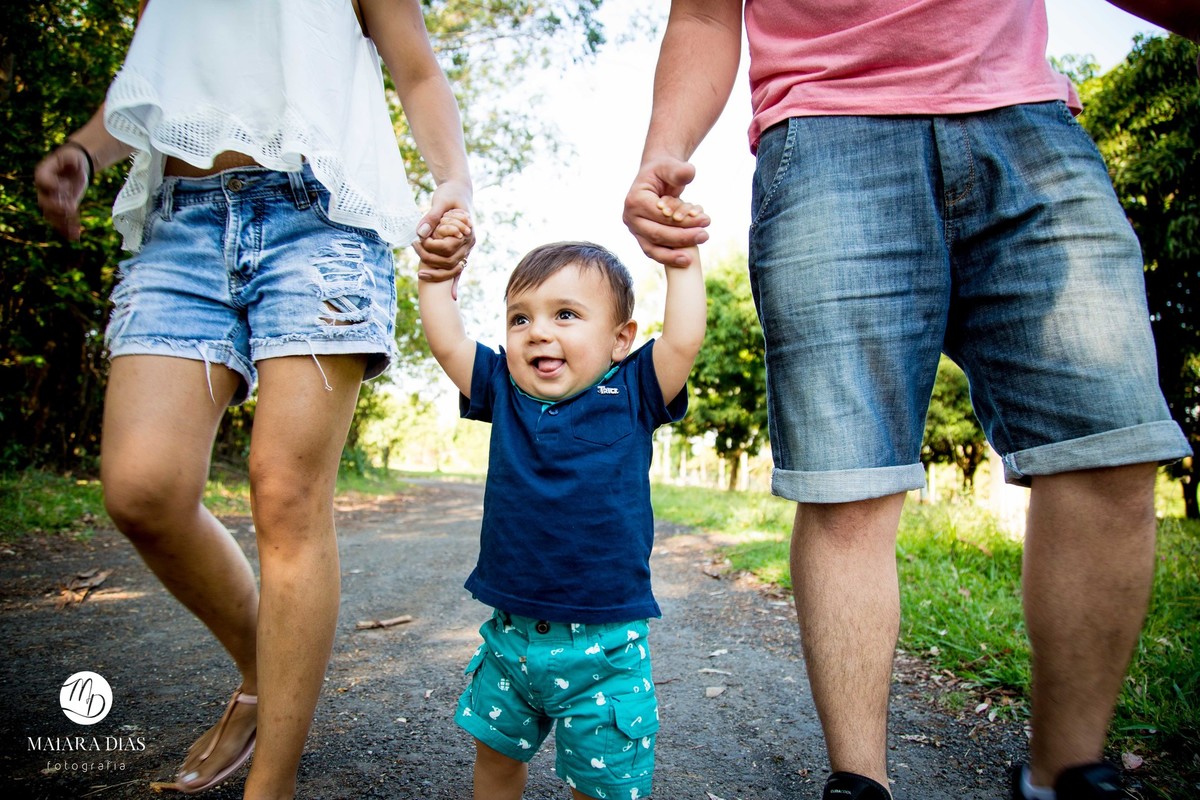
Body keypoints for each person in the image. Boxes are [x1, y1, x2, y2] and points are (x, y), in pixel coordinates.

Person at [621, 1, 1197, 799]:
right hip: (827, 131)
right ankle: (860, 784)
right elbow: (707, 14)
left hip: (1027, 123)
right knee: (846, 483)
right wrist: (664, 148)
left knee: (1110, 445)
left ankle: (1064, 780)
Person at [33, 1, 473, 796]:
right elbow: (160, 69)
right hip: (181, 222)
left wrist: (454, 186)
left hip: (321, 217)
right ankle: (261, 670)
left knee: (287, 495)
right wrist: (84, 154)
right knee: (143, 490)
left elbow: (415, 66)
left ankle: (270, 784)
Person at [416, 229, 706, 800]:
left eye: (566, 314)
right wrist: (433, 278)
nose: (538, 331)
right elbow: (448, 343)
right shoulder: (502, 388)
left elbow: (683, 340)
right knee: (495, 761)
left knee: (601, 787)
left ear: (621, 339)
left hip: (606, 648)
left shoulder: (635, 389)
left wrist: (682, 264)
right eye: (519, 318)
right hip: (511, 640)